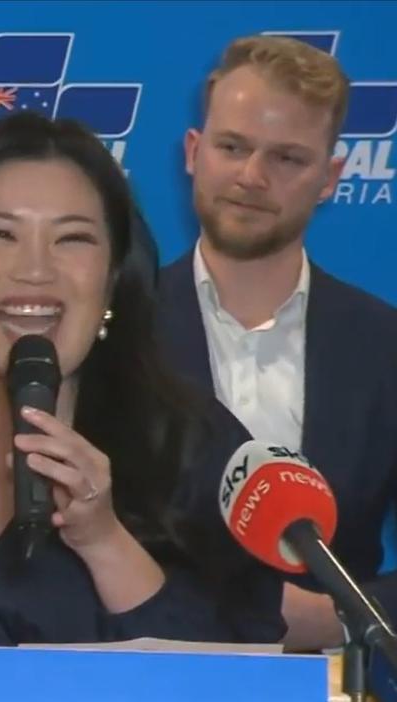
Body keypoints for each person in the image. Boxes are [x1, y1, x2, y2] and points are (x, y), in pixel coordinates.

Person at [0, 111, 286, 645]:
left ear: (113, 279)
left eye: (72, 239)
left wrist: (104, 540)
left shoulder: (193, 444)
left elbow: (237, 678)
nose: (35, 270)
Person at [158, 35, 397, 650]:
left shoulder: (383, 346)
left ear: (330, 177)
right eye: (232, 147)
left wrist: (343, 617)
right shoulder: (112, 331)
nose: (252, 177)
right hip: (145, 682)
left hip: (334, 690)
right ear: (194, 152)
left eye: (288, 158)